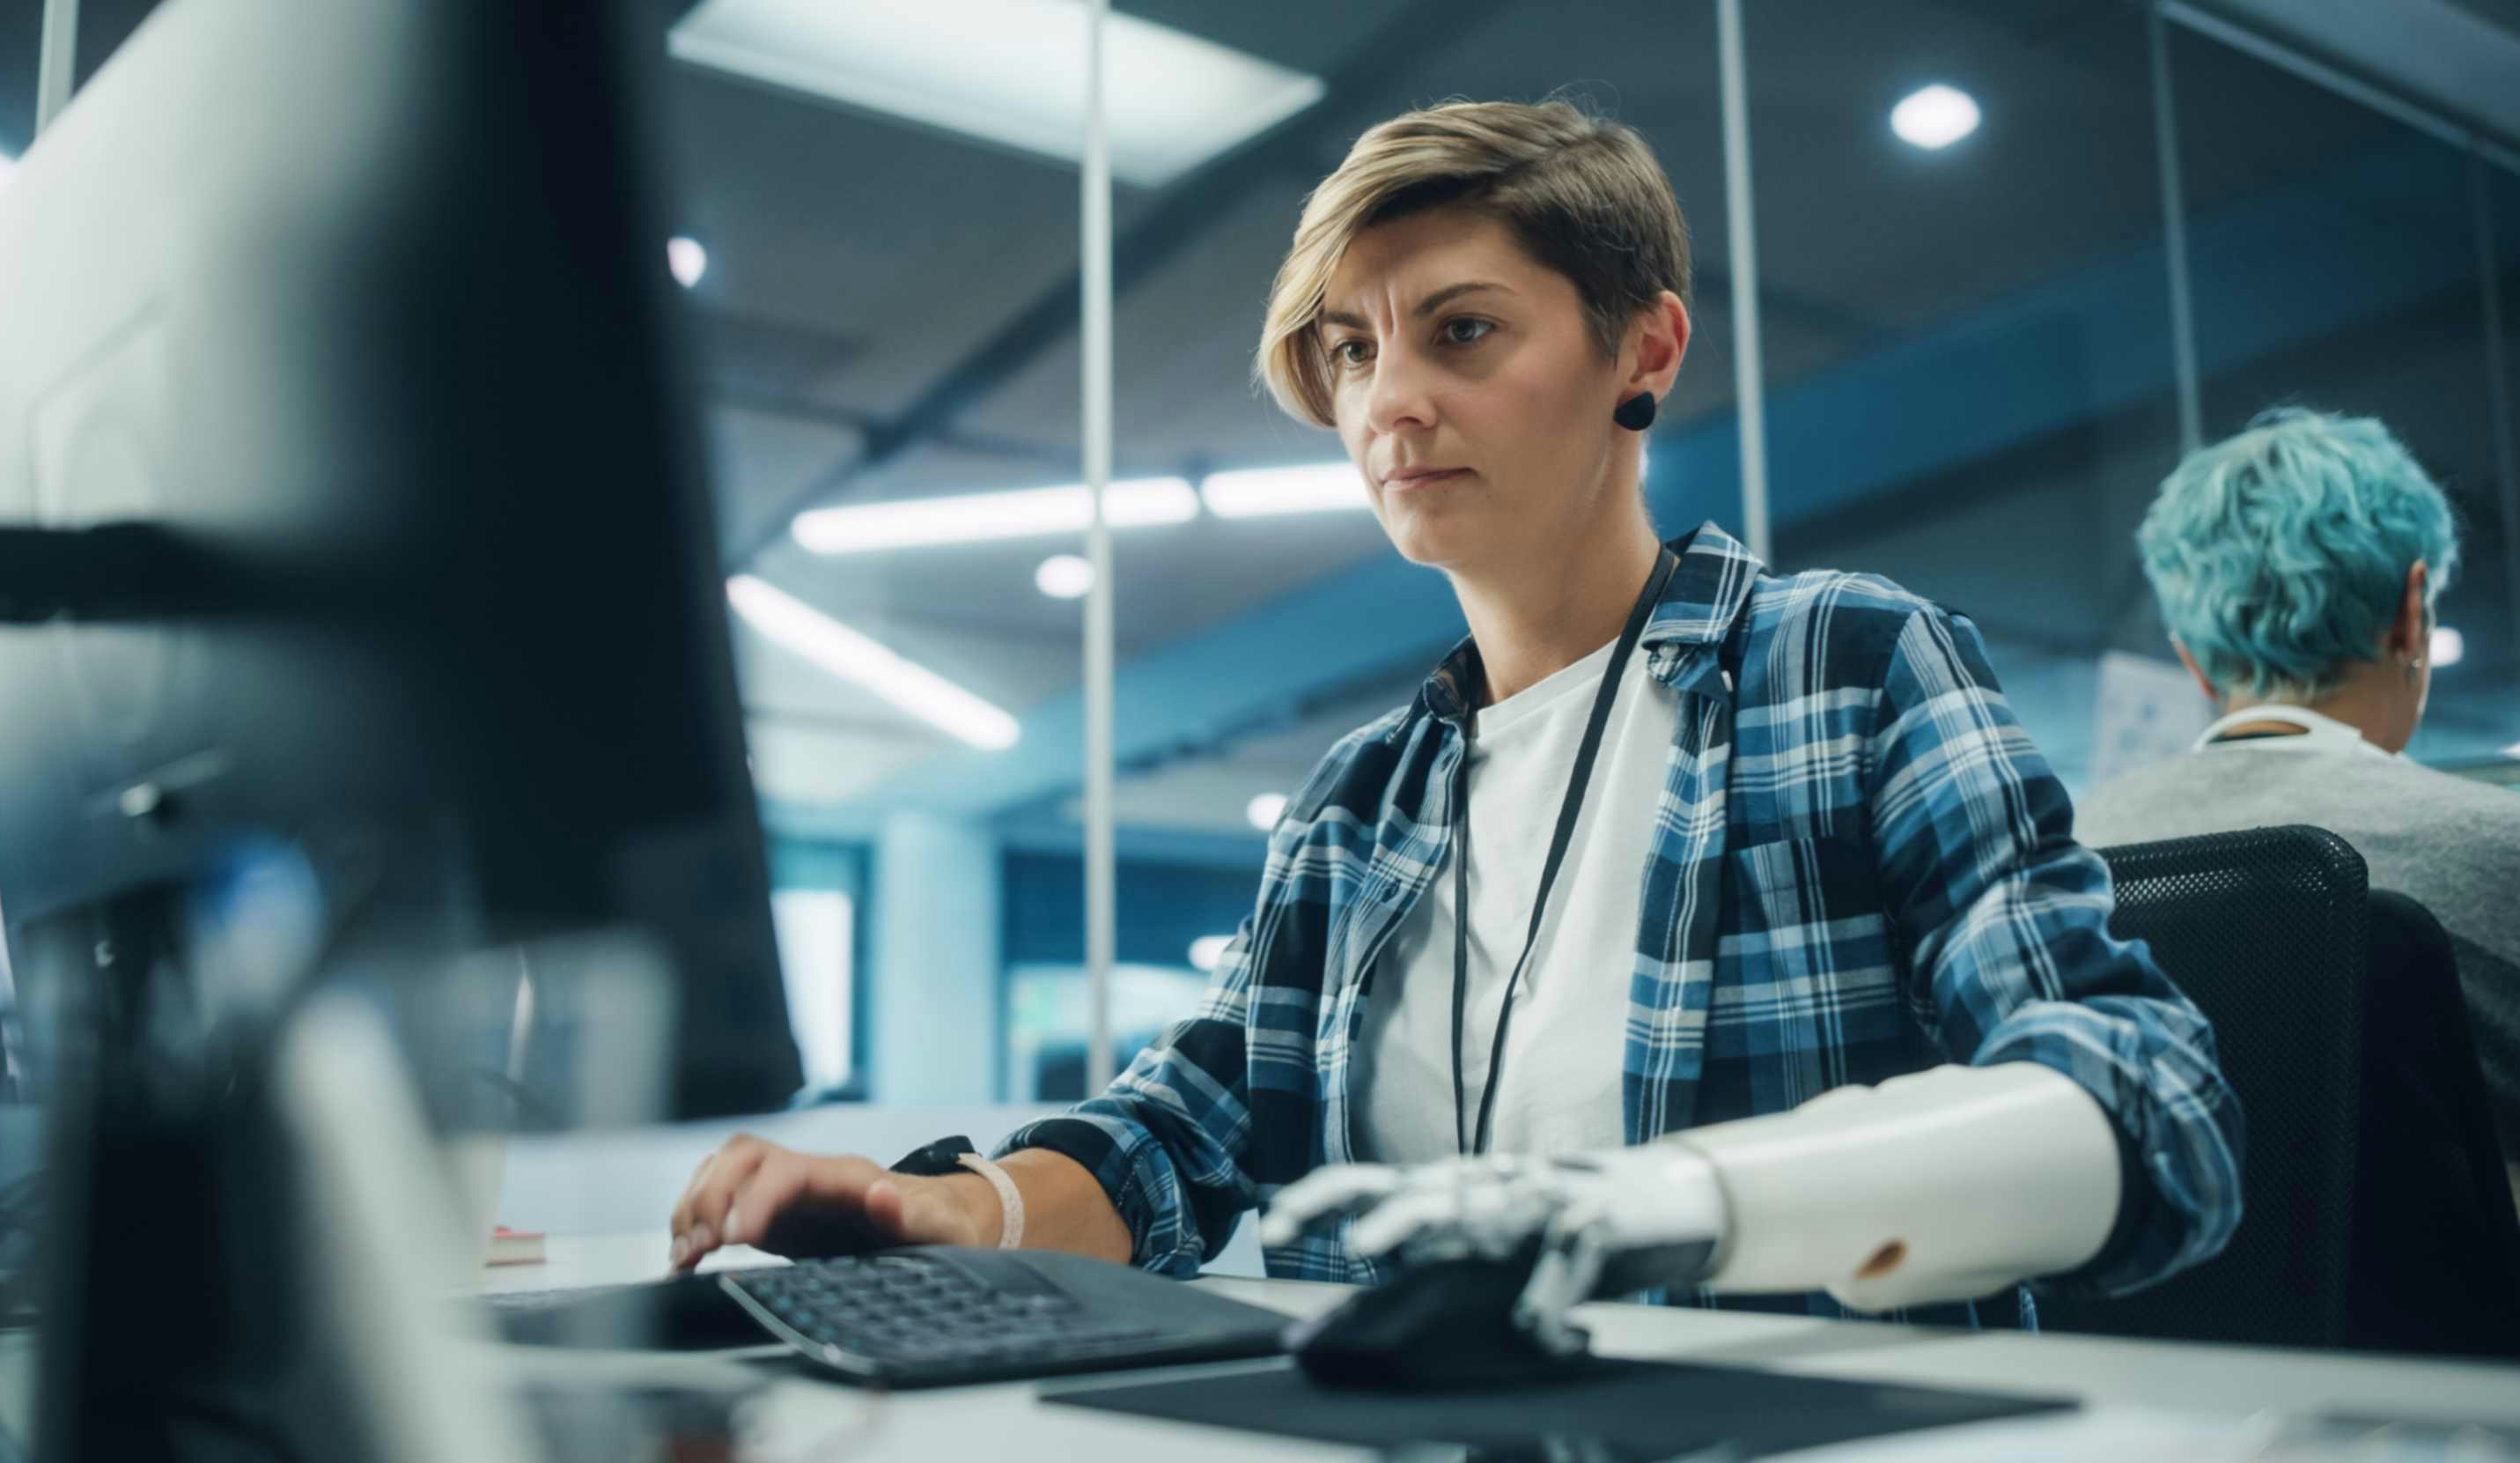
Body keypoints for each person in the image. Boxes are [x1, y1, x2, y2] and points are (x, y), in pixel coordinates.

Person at [672, 99, 2242, 1334]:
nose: (1385, 402)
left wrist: (1684, 1198)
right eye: (1353, 349)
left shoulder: (1843, 667)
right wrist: (947, 1211)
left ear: (1645, 349)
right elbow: (1191, 1128)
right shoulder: (1366, 797)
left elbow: (2147, 1096)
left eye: (1460, 330)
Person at [2080, 406, 2520, 1211]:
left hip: (2143, 1335)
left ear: (2192, 661)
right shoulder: (2503, 850)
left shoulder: (2069, 863)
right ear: (2411, 614)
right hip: (2450, 1338)